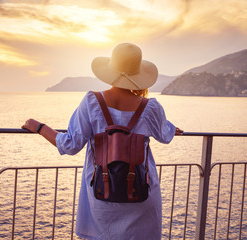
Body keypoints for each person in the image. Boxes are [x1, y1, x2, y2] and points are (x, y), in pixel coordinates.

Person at [22, 43, 183, 240]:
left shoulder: (92, 102)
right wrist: (170, 127)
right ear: (138, 74)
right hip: (141, 190)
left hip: (103, 194)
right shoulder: (150, 107)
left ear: (111, 70)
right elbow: (165, 135)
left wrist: (40, 128)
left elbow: (70, 145)